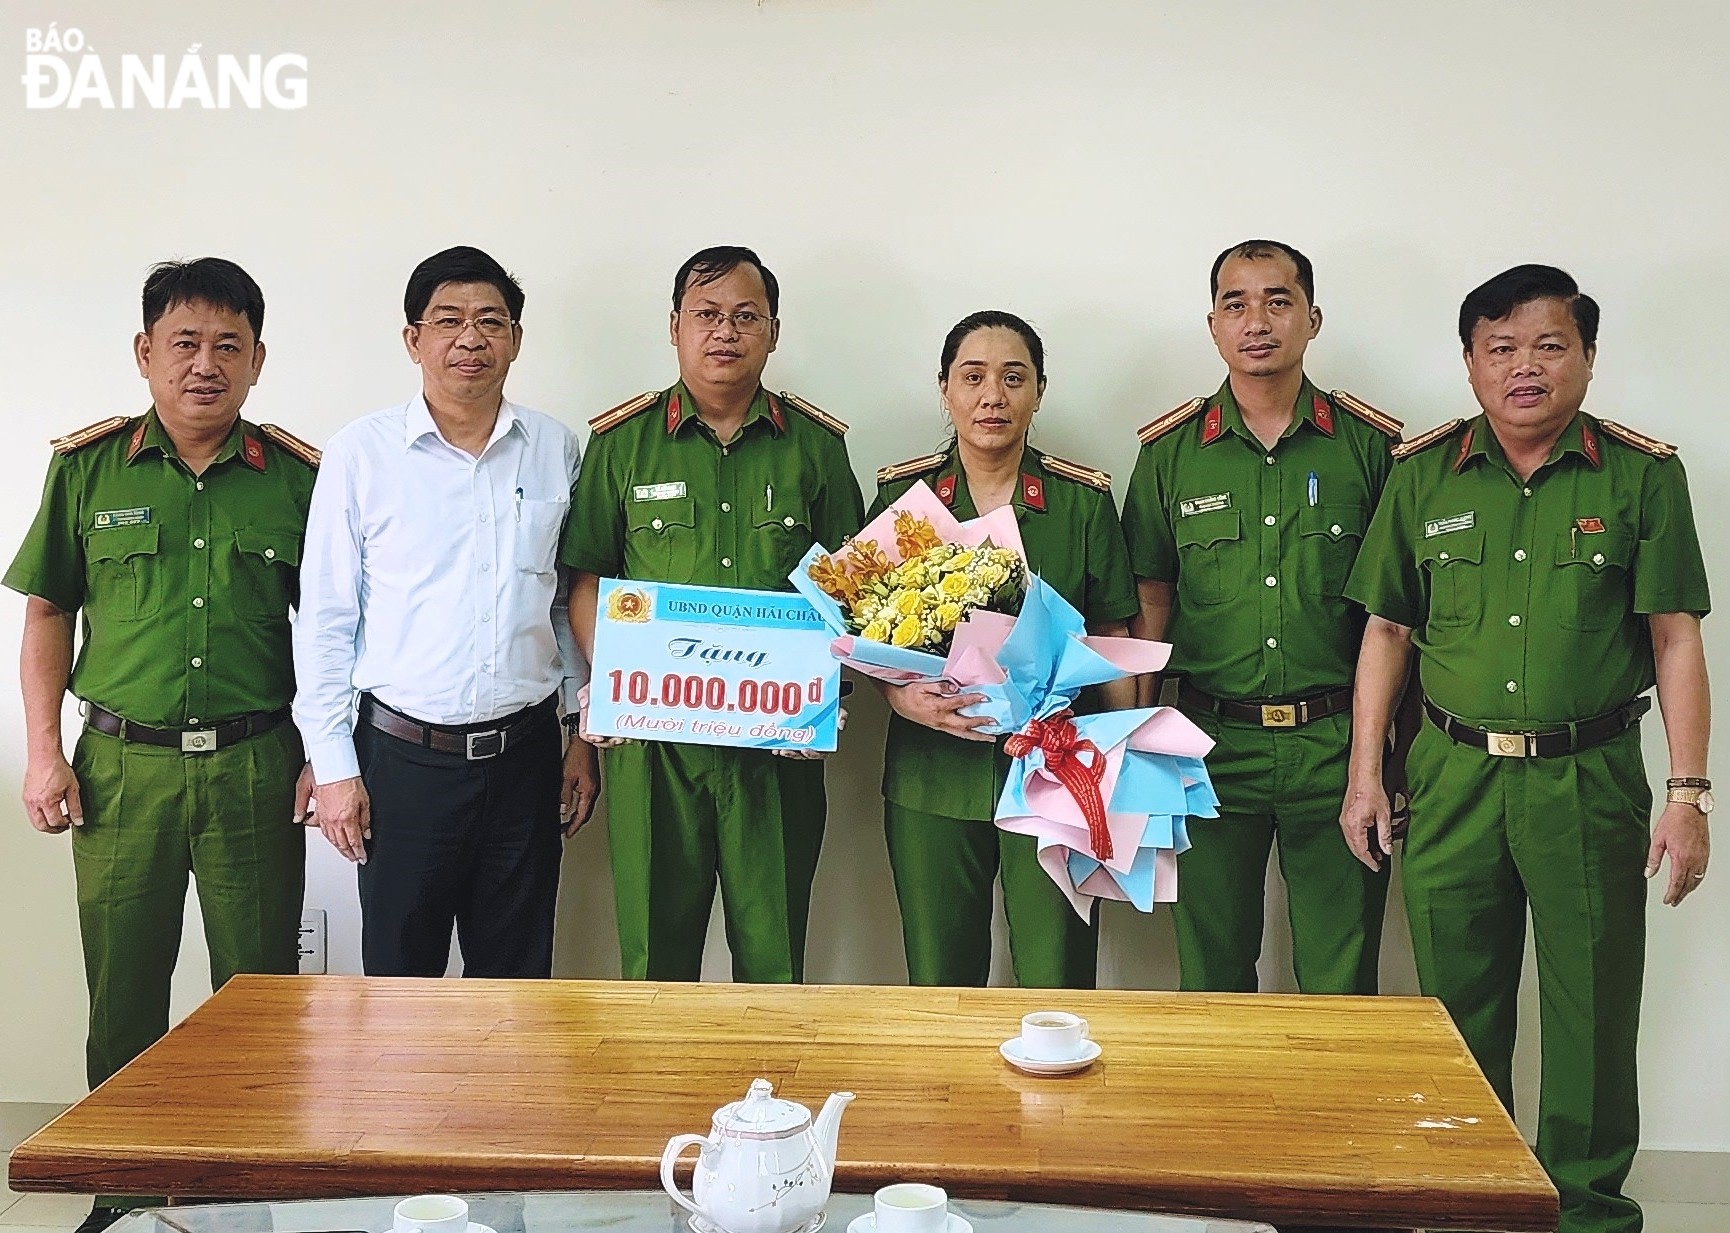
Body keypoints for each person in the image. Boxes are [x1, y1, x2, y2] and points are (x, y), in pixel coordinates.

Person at [1342, 264, 1711, 1233]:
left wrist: (1686, 793)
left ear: (1586, 356)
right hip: (1449, 774)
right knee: (1455, 1014)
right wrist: (1360, 779)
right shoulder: (1419, 476)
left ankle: (1586, 1211)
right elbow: (1384, 633)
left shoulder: (1639, 477)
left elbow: (1674, 637)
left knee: (1591, 1011)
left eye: (1548, 345)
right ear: (1467, 364)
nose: (1523, 367)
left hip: (1586, 778)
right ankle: (1469, 1201)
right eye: (1498, 348)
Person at [5, 258, 318, 1233]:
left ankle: (242, 1190)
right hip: (119, 771)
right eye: (184, 342)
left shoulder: (301, 480)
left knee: (254, 997)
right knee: (125, 993)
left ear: (259, 360)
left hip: (257, 765)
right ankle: (127, 1192)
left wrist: (328, 753)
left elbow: (344, 629)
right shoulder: (87, 470)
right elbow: (49, 609)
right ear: (145, 353)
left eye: (229, 345)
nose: (204, 364)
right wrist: (43, 751)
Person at [561, 245, 865, 982]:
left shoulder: (816, 450)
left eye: (744, 316)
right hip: (653, 750)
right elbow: (587, 579)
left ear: (773, 331)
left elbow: (855, 592)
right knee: (654, 955)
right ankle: (658, 1099)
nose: (724, 332)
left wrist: (824, 694)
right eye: (705, 314)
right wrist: (615, 681)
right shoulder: (621, 444)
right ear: (674, 326)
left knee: (773, 953)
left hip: (778, 746)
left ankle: (770, 1099)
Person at [293, 245, 596, 978]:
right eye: (449, 320)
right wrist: (333, 766)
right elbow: (328, 617)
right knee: (400, 984)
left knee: (519, 982)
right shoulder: (359, 454)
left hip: (526, 760)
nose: (470, 339)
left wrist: (580, 734)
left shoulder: (556, 449)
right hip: (401, 763)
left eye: (491, 321)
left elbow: (563, 603)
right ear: (413, 339)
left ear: (516, 340)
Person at [1121, 239, 1404, 994]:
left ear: (1312, 318)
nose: (1258, 320)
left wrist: (1377, 762)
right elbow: (1151, 604)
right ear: (1212, 324)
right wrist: (1136, 749)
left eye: (1278, 301)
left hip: (1339, 745)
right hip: (1207, 746)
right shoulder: (1172, 454)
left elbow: (1397, 616)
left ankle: (1330, 1116)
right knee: (1212, 976)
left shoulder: (1370, 450)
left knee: (1341, 981)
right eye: (1235, 303)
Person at [873, 311, 1138, 987]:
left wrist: (1117, 767)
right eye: (974, 376)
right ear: (945, 390)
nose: (993, 395)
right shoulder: (902, 499)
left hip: (1058, 775)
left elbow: (1116, 635)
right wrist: (899, 697)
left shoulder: (1081, 503)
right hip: (933, 771)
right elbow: (868, 634)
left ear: (1039, 392)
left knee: (1057, 978)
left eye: (1013, 377)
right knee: (939, 980)